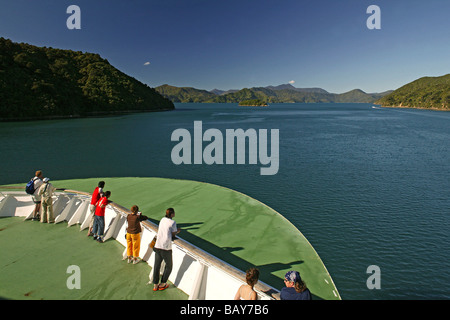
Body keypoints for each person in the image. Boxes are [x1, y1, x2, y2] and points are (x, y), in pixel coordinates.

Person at [152, 208, 180, 291]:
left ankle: (155, 284)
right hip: (165, 248)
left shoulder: (162, 219)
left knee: (157, 266)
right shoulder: (173, 222)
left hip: (157, 245)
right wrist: (178, 231)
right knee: (169, 266)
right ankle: (163, 283)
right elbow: (173, 235)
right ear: (172, 214)